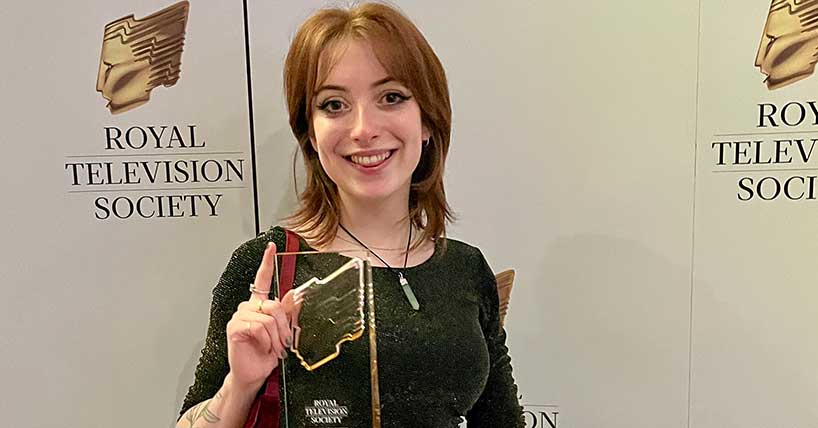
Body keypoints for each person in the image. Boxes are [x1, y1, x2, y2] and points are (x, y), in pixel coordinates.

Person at [177, 3, 523, 427]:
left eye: (391, 97)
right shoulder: (265, 264)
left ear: (428, 121)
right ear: (310, 132)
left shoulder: (466, 269)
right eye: (334, 104)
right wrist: (240, 385)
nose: (363, 128)